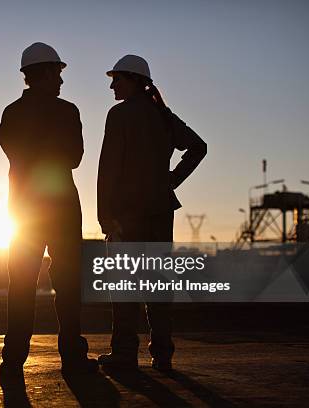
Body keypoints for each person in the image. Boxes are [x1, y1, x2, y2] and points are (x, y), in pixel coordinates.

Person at [97, 54, 207, 371]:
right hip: (160, 210)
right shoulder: (162, 115)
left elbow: (108, 170)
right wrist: (172, 179)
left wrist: (105, 216)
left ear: (133, 80)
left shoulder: (118, 115)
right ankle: (162, 354)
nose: (112, 84)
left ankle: (124, 353)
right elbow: (198, 147)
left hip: (127, 214)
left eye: (117, 79)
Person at [0, 42, 98, 376]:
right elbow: (74, 158)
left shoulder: (12, 113)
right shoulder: (67, 112)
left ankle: (13, 360)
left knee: (21, 284)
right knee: (68, 283)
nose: (61, 80)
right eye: (57, 72)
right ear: (44, 73)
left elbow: (13, 151)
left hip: (24, 210)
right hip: (61, 208)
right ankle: (72, 356)